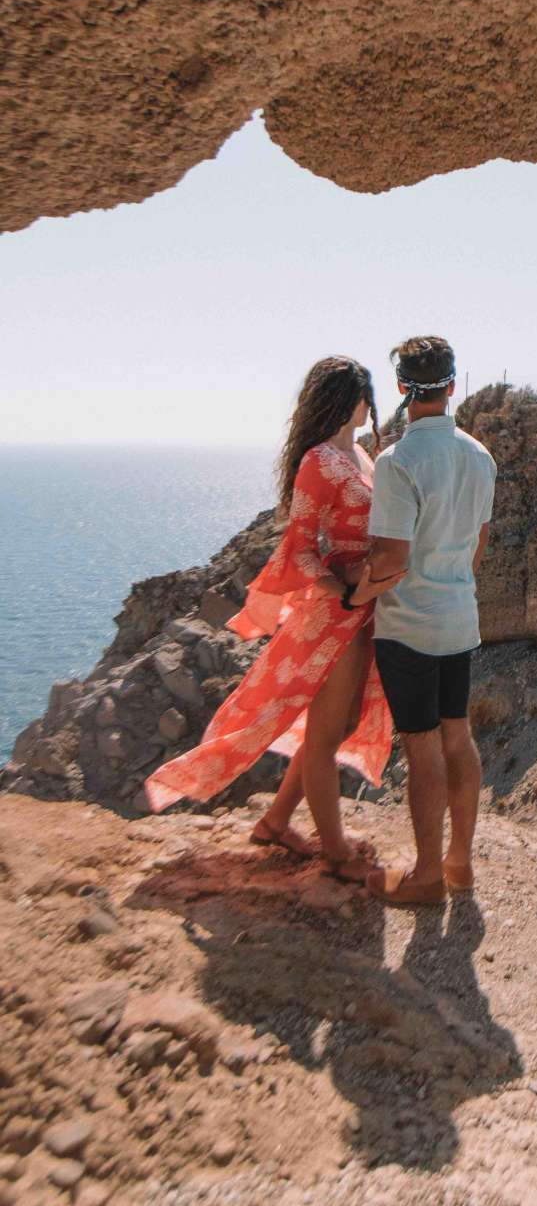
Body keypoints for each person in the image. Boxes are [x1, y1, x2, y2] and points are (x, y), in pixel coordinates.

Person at [144, 357, 401, 884]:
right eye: (364, 396)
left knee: (340, 726)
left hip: (365, 608)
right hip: (337, 615)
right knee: (329, 734)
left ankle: (277, 820)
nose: (369, 407)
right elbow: (301, 549)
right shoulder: (317, 462)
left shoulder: (359, 455)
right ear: (350, 400)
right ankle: (334, 851)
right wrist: (343, 591)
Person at [343, 336, 496, 906]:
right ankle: (460, 863)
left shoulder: (397, 461)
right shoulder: (480, 457)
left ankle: (426, 875)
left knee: (423, 747)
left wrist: (352, 596)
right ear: (454, 385)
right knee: (459, 735)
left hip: (408, 626)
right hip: (460, 619)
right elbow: (478, 545)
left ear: (403, 390)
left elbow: (390, 560)